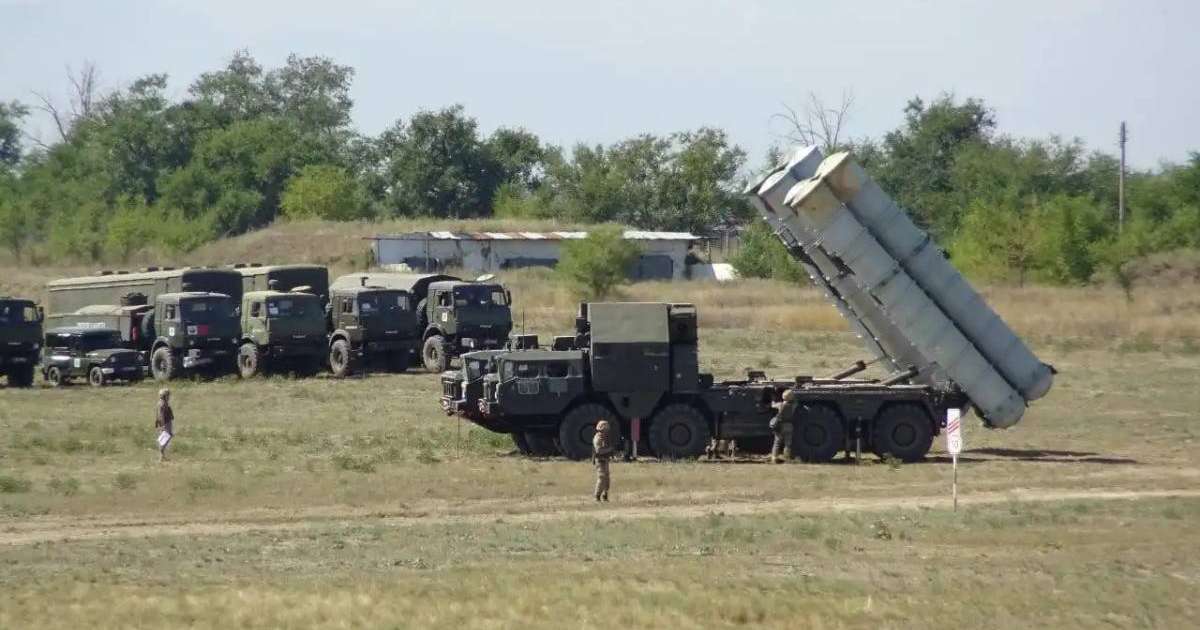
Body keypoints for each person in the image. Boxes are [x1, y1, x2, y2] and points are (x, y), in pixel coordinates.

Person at [769, 389, 798, 463]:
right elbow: (796, 402)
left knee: (777, 442)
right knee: (788, 444)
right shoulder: (793, 405)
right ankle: (787, 458)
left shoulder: (780, 405)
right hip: (789, 425)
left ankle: (774, 457)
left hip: (780, 425)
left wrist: (772, 399)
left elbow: (772, 405)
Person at [592, 419, 614, 502]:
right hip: (600, 460)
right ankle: (597, 496)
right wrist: (609, 449)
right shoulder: (597, 438)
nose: (607, 431)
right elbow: (598, 450)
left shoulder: (605, 437)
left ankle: (605, 495)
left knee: (607, 479)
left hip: (605, 460)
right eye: (605, 429)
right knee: (602, 478)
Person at [155, 388, 175, 462]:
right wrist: (163, 425)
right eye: (168, 395)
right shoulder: (162, 403)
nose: (169, 396)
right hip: (165, 423)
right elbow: (161, 415)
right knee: (166, 437)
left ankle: (162, 457)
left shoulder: (162, 402)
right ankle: (161, 457)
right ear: (165, 396)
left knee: (166, 437)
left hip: (165, 422)